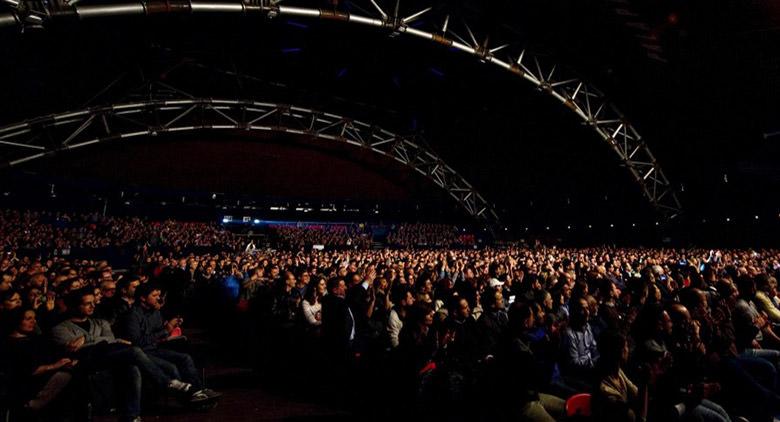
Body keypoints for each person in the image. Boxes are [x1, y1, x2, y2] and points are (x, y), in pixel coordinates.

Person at [50, 288, 198, 422]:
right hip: (86, 361)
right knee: (134, 351)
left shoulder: (100, 323)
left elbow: (111, 339)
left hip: (110, 356)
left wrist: (87, 340)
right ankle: (168, 383)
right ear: (76, 306)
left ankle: (132, 416)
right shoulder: (60, 329)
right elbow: (73, 349)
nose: (93, 306)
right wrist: (99, 341)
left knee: (132, 367)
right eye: (87, 304)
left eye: (93, 303)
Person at [118, 283, 221, 403]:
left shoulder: (155, 312)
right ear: (143, 298)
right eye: (154, 295)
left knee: (185, 358)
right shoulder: (132, 316)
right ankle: (185, 397)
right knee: (171, 367)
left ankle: (197, 391)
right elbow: (137, 342)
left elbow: (160, 334)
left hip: (155, 348)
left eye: (159, 295)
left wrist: (170, 328)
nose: (158, 298)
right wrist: (166, 330)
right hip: (142, 353)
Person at [1, 307, 76, 416]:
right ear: (17, 320)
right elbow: (27, 371)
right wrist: (54, 366)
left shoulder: (36, 339)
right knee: (65, 376)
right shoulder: (10, 344)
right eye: (28, 319)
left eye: (34, 318)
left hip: (43, 376)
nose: (33, 321)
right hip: (25, 384)